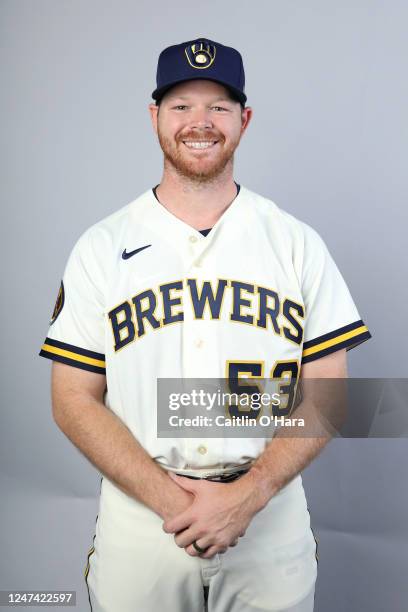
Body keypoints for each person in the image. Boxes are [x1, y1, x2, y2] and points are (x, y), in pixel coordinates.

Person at [39, 37, 371, 611]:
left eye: (218, 106)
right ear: (154, 118)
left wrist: (250, 494)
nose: (200, 122)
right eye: (181, 105)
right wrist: (173, 504)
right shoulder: (101, 247)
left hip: (268, 517)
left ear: (244, 120)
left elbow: (330, 394)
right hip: (141, 519)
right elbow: (72, 397)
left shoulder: (295, 244)